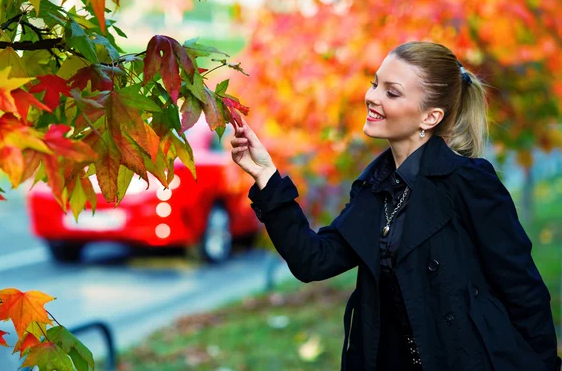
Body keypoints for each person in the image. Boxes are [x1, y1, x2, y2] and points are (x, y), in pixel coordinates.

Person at [230, 41, 561, 371]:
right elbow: (314, 261)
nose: (372, 97)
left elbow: (522, 290)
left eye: (392, 92)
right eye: (375, 84)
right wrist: (265, 175)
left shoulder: (468, 182)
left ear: (430, 117)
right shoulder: (376, 187)